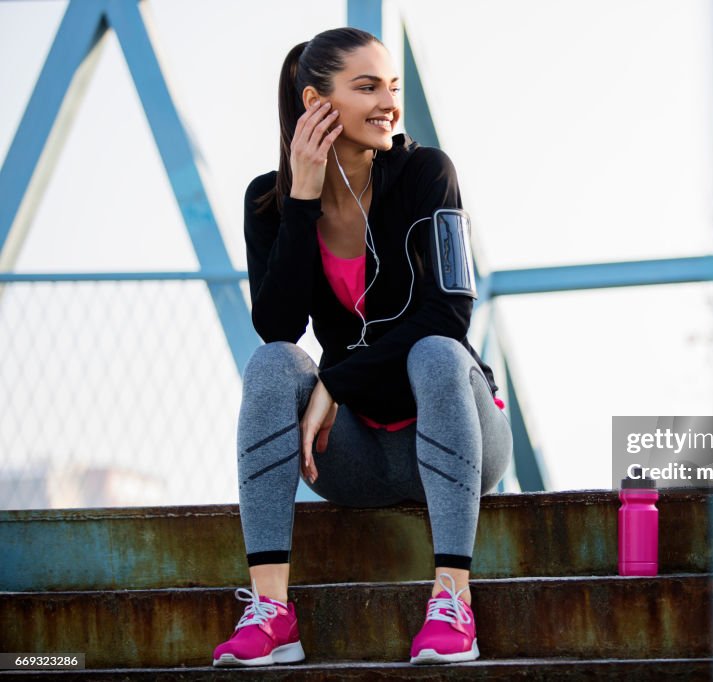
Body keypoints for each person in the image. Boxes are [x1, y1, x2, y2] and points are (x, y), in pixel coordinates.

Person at [211, 27, 512, 667]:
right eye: (368, 87)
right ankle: (272, 613)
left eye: (392, 87)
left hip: (460, 435)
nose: (389, 104)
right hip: (357, 459)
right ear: (317, 102)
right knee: (270, 366)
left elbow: (450, 312)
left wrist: (336, 382)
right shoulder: (268, 203)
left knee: (435, 352)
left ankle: (453, 600)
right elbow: (278, 327)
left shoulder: (429, 174)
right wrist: (301, 199)